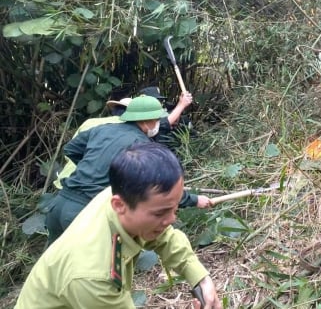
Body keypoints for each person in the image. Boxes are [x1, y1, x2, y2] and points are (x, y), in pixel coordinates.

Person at [16, 142, 222, 309]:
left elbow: (165, 236)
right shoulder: (93, 275)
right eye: (161, 213)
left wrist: (200, 278)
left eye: (175, 208)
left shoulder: (125, 193)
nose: (171, 220)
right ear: (119, 205)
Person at [45, 95, 212, 244]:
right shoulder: (141, 147)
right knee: (91, 271)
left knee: (52, 270)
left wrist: (94, 167)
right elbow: (158, 186)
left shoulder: (102, 129)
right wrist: (195, 200)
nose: (157, 124)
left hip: (59, 205)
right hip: (85, 213)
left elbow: (71, 149)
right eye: (156, 120)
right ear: (147, 121)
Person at [53, 91, 194, 189]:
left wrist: (90, 167)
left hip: (68, 182)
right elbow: (167, 121)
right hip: (93, 193)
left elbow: (70, 149)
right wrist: (181, 104)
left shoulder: (92, 123)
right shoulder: (130, 133)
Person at [52, 97, 131, 189]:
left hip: (68, 178)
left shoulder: (90, 122)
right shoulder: (128, 130)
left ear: (114, 110)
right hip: (94, 186)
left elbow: (70, 149)